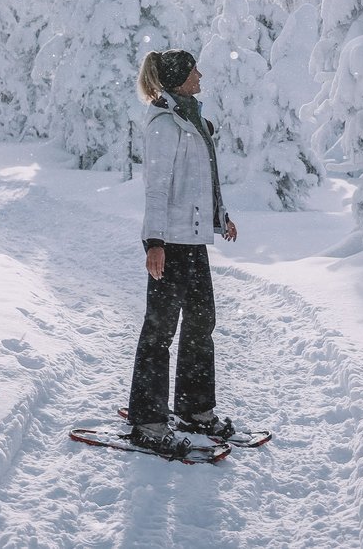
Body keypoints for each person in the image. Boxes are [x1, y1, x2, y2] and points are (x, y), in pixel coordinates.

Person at [126, 48, 239, 458]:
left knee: (200, 324)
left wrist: (220, 214)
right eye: (194, 71)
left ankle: (193, 409)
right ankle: (148, 420)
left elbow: (201, 178)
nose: (200, 74)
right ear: (177, 79)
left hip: (193, 241)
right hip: (169, 243)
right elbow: (156, 187)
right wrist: (154, 242)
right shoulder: (163, 124)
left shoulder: (191, 119)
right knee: (159, 332)